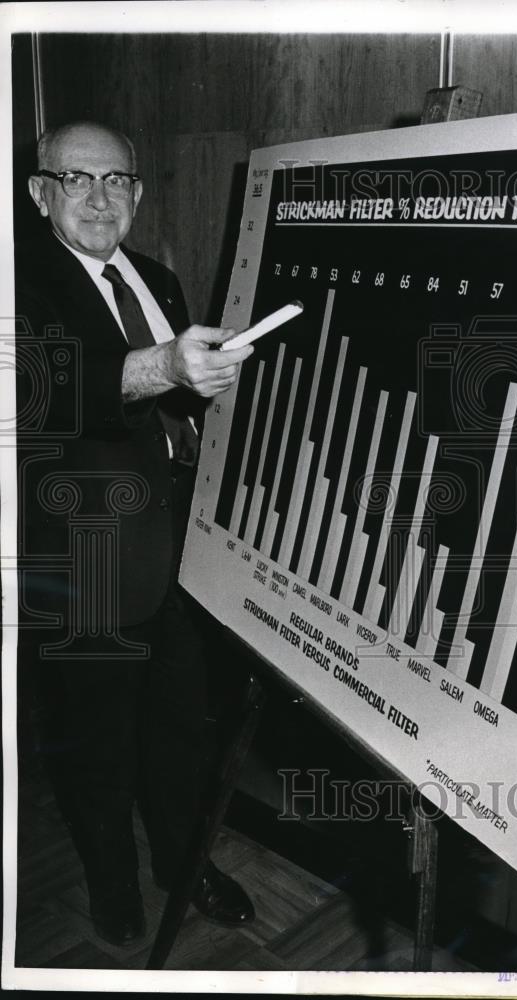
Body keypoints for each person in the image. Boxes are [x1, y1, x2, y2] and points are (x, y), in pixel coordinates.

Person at [15, 121, 256, 947]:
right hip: (79, 559)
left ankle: (182, 866)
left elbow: (179, 406)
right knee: (93, 745)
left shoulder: (155, 277)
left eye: (116, 181)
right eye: (76, 180)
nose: (97, 198)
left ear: (138, 194)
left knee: (181, 732)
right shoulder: (18, 278)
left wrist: (213, 377)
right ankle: (113, 885)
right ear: (41, 191)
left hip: (178, 553)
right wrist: (166, 366)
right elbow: (47, 388)